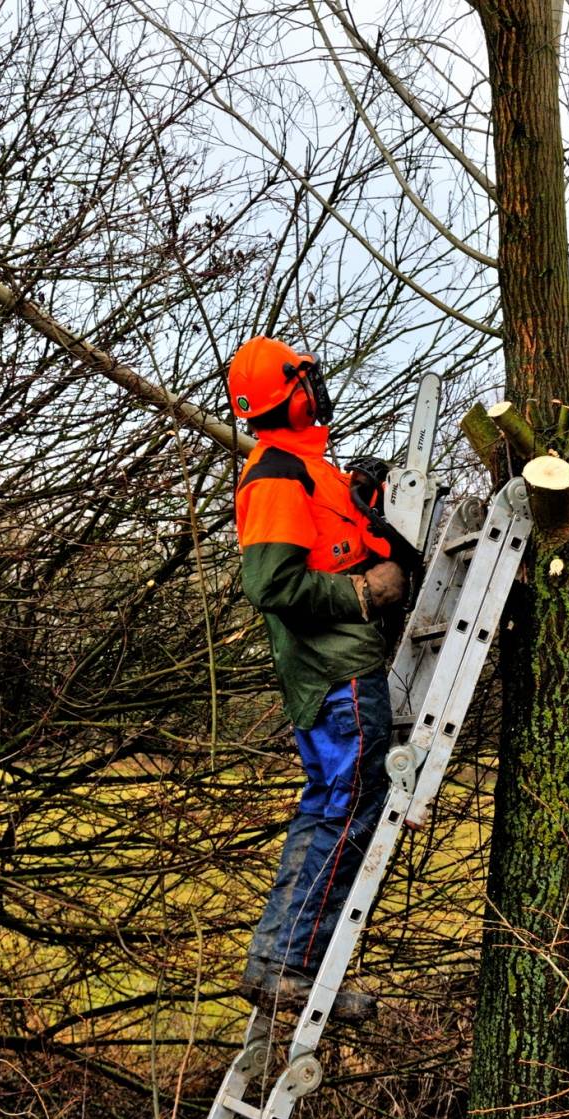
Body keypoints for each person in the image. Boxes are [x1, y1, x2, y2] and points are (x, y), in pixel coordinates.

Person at [228, 335, 407, 1023]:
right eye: (308, 379)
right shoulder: (277, 472)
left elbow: (336, 544)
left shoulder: (311, 469)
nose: (318, 388)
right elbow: (270, 582)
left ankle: (289, 961)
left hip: (341, 668)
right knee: (342, 804)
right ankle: (287, 965)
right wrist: (363, 597)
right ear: (294, 391)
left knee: (336, 802)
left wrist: (364, 501)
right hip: (335, 673)